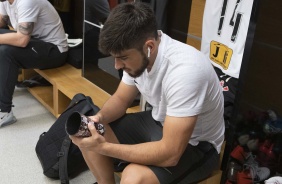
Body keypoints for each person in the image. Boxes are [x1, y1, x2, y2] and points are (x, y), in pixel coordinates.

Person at [70, 2, 225, 184]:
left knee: (134, 177)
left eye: (123, 58)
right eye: (115, 57)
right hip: (157, 122)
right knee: (86, 129)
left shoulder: (185, 71)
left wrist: (105, 148)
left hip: (197, 145)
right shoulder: (139, 55)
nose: (117, 66)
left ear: (149, 46)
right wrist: (99, 118)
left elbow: (170, 154)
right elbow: (120, 99)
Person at [0, 0, 68, 127]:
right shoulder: (5, 1)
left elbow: (22, 40)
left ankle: (4, 112)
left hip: (54, 51)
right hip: (34, 43)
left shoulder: (27, 1)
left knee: (5, 51)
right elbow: (2, 21)